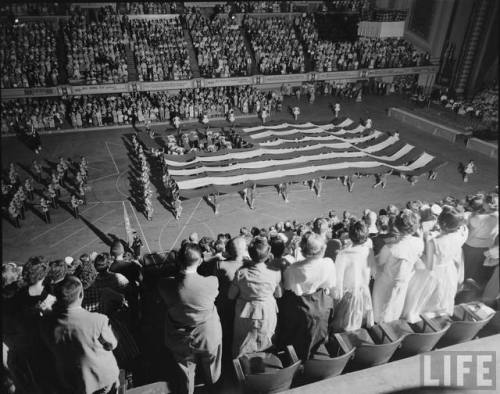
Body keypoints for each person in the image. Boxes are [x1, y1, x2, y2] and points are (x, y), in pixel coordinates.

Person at [158, 243, 222, 394]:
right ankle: (212, 389)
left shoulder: (164, 284)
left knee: (186, 372)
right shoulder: (212, 282)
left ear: (178, 261)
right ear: (200, 261)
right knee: (212, 368)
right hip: (207, 335)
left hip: (179, 336)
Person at [40, 276, 120, 394]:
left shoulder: (47, 324)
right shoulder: (99, 320)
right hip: (103, 379)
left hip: (72, 381)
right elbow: (111, 344)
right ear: (81, 295)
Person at [402, 207, 468, 322]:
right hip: (448, 269)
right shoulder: (461, 234)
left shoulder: (434, 241)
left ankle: (421, 317)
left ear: (441, 223)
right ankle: (436, 314)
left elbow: (430, 266)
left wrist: (422, 244)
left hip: (434, 271)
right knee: (441, 295)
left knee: (420, 295)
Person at [279, 232, 336, 361]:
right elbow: (330, 283)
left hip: (303, 304)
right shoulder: (328, 263)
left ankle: (304, 359)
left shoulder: (293, 268)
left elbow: (288, 287)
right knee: (316, 334)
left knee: (302, 335)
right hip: (321, 302)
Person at [228, 237, 281, 357]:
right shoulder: (275, 272)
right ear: (268, 255)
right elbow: (279, 294)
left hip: (246, 312)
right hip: (267, 310)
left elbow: (231, 295)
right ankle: (267, 361)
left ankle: (241, 364)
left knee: (244, 340)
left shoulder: (241, 273)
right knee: (267, 337)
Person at [372, 210, 424, 323]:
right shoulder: (418, 242)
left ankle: (380, 323)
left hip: (386, 281)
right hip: (402, 281)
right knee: (395, 305)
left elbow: (379, 262)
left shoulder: (390, 247)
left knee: (382, 306)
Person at [331, 221, 375, 332]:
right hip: (363, 291)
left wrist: (336, 298)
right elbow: (373, 271)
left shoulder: (343, 254)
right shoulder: (368, 251)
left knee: (346, 326)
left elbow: (338, 279)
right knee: (358, 321)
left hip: (348, 295)